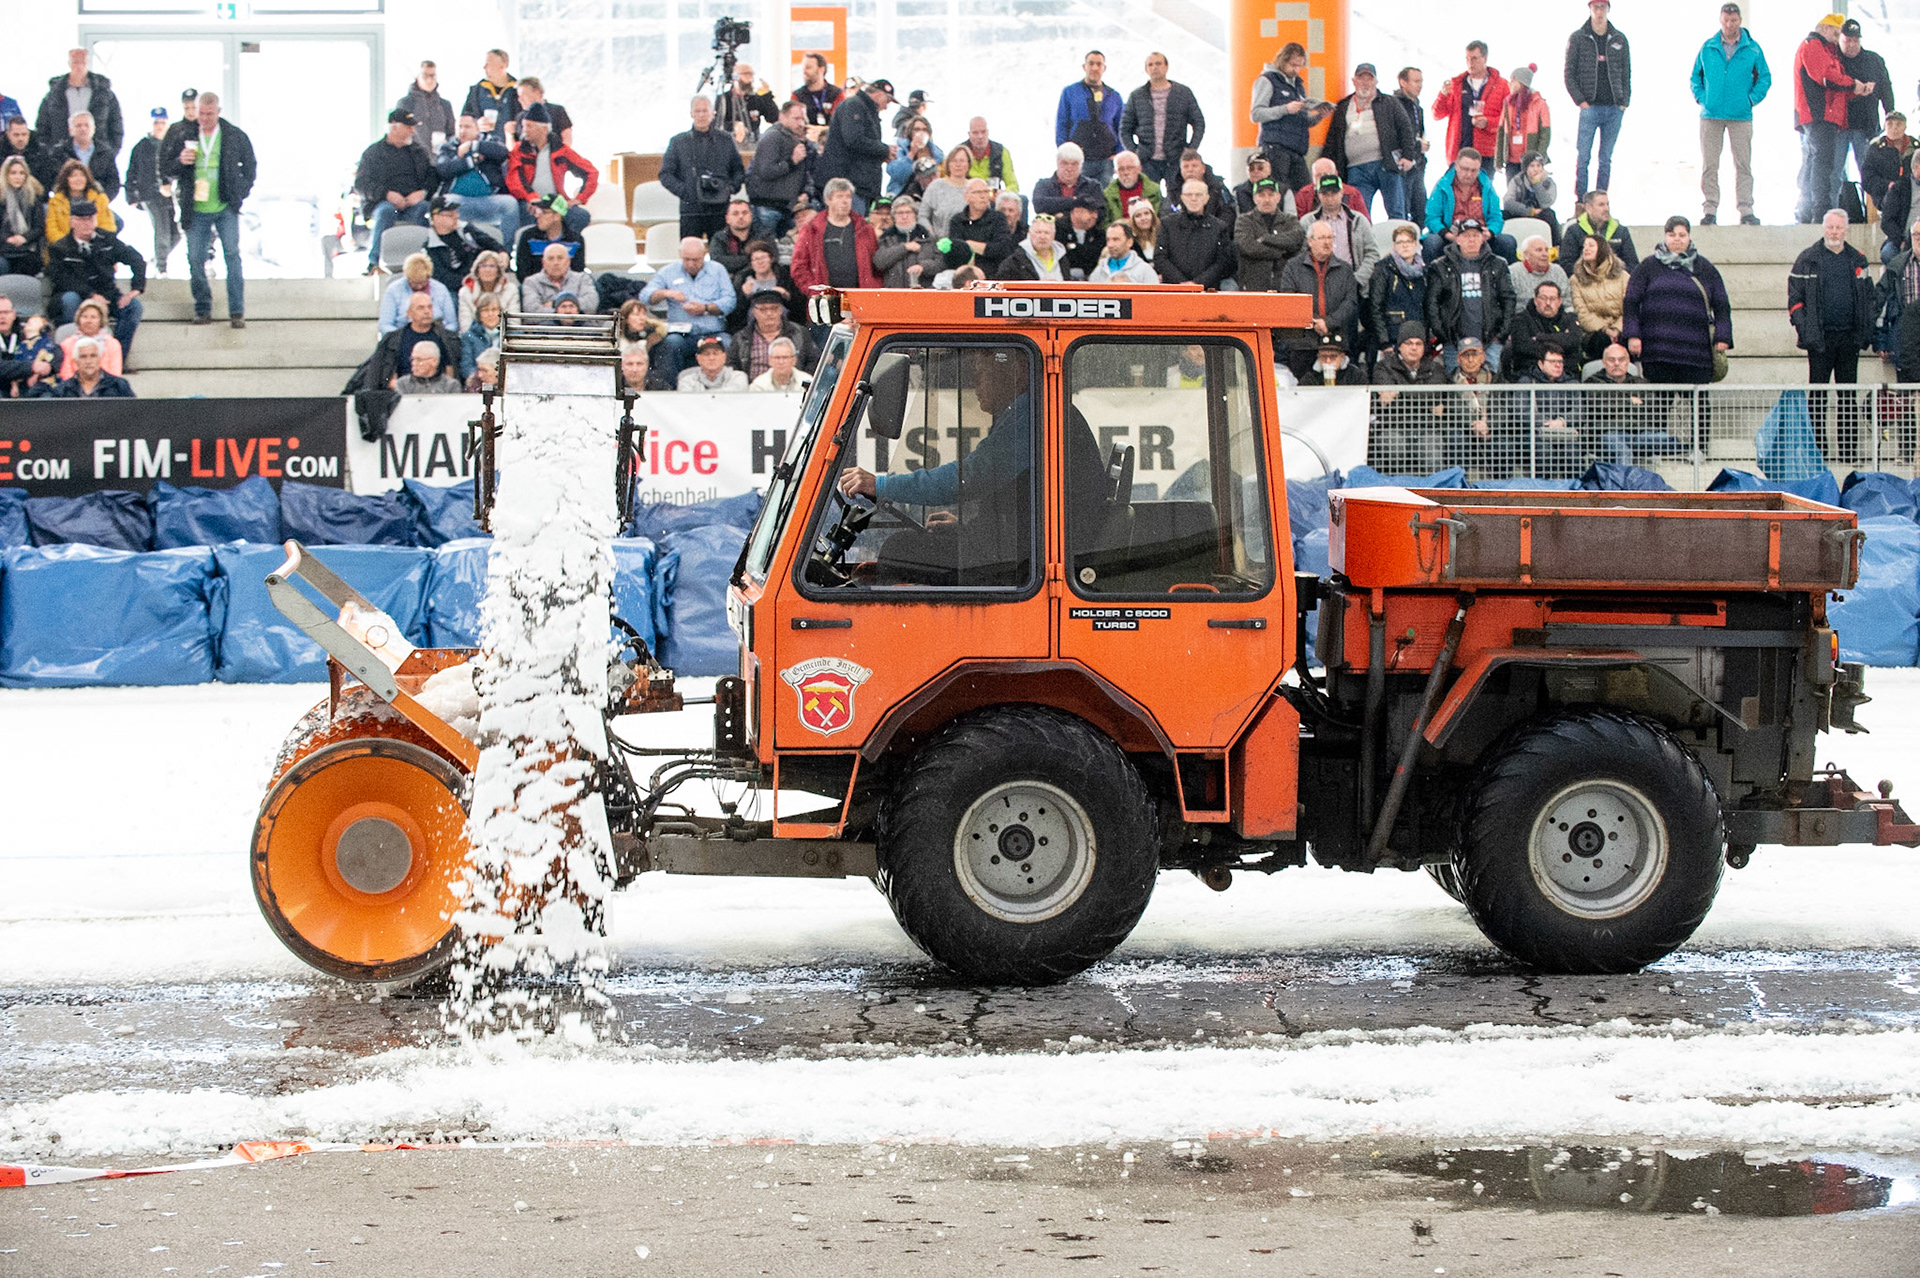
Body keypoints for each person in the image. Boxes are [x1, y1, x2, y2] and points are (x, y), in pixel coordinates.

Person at [160, 89, 255, 328]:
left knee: (232, 256)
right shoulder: (183, 134)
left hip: (225, 206)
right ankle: (202, 307)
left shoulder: (233, 135)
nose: (204, 118)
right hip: (195, 208)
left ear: (218, 112)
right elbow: (166, 168)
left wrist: (239, 193)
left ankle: (237, 311)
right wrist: (180, 162)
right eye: (201, 113)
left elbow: (250, 166)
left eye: (209, 114)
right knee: (195, 258)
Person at [1790, 209, 1876, 461]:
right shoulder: (1807, 259)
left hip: (1849, 338)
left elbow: (1870, 299)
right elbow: (1795, 299)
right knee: (1817, 397)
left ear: (1846, 230)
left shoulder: (1858, 259)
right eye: (1830, 228)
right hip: (1819, 340)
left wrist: (1865, 330)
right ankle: (1818, 453)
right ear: (1823, 228)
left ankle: (1849, 454)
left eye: (1839, 228)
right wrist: (1806, 330)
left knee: (1848, 396)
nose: (1834, 232)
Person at [1622, 215, 1732, 386]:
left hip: (1696, 352)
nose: (1677, 240)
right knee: (1659, 407)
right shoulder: (1647, 267)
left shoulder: (1705, 268)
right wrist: (1633, 335)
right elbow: (1631, 302)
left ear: (1689, 237)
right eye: (1672, 235)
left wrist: (1722, 336)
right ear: (1665, 236)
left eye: (1682, 235)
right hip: (1658, 351)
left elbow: (1722, 305)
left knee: (1699, 406)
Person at [1692, 2, 1772, 226]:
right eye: (1726, 20)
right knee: (1710, 164)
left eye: (1733, 20)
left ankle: (1746, 209)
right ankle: (1710, 209)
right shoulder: (1708, 47)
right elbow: (1695, 77)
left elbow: (1765, 77)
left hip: (1741, 115)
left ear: (1739, 21)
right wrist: (1702, 98)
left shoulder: (1753, 49)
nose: (1729, 24)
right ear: (1721, 20)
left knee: (1743, 164)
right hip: (1711, 114)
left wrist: (1751, 99)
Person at [45, 201, 144, 359]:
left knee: (133, 307)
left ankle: (116, 357)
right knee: (70, 300)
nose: (87, 223)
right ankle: (74, 356)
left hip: (106, 295)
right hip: (76, 295)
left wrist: (135, 289)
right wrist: (90, 295)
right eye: (81, 219)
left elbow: (136, 259)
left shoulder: (107, 240)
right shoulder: (60, 247)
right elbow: (61, 278)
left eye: (90, 219)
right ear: (72, 221)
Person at [1321, 63, 1418, 222]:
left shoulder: (1389, 102)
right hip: (1355, 169)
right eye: (1361, 78)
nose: (1365, 82)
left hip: (1386, 164)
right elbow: (1333, 138)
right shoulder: (1344, 106)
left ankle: (1400, 245)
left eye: (1369, 78)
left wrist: (1408, 156)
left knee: (1396, 212)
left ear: (1376, 81)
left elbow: (1406, 128)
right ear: (1354, 81)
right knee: (1358, 215)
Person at [1792, 15, 1859, 225]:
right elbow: (1824, 76)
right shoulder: (1813, 46)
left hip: (1821, 115)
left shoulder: (1823, 49)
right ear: (1825, 29)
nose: (1838, 36)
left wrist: (1853, 88)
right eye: (1836, 32)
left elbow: (1831, 80)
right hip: (1818, 114)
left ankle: (1809, 211)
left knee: (1815, 161)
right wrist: (1852, 85)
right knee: (1822, 163)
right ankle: (1819, 212)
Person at [641, 235, 736, 382]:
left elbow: (730, 301)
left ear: (704, 255)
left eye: (696, 260)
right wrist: (666, 293)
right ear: (680, 256)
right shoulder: (668, 272)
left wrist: (706, 308)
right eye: (687, 259)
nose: (691, 264)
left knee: (728, 344)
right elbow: (645, 296)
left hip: (712, 332)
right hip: (680, 334)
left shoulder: (718, 270)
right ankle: (670, 391)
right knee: (670, 345)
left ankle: (728, 390)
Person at [1425, 217, 1513, 373]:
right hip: (1454, 342)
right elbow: (1432, 302)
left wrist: (1500, 335)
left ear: (1482, 238)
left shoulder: (1498, 264)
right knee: (1458, 391)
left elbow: (1508, 300)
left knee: (1488, 391)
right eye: (1466, 236)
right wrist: (1444, 335)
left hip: (1490, 341)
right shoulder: (1440, 266)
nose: (1471, 240)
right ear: (1457, 239)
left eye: (1475, 235)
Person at [1564, 0, 1631, 200]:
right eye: (1595, 7)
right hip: (1590, 107)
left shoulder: (1619, 38)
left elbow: (1626, 72)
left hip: (1613, 108)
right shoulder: (1578, 38)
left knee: (1605, 159)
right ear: (1590, 9)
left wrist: (1624, 102)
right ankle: (1582, 200)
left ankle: (1601, 199)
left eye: (1602, 7)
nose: (1599, 12)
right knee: (1583, 156)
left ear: (1608, 9)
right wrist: (1580, 101)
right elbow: (1569, 73)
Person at [1277, 221, 1360, 379]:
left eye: (1330, 237)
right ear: (1310, 241)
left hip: (1335, 343)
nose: (1327, 242)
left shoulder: (1345, 269)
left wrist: (1328, 322)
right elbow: (1290, 299)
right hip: (1303, 344)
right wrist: (1314, 321)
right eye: (1322, 237)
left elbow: (1350, 303)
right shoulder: (1293, 267)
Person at [356, 109, 435, 273]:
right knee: (386, 211)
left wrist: (423, 193)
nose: (412, 130)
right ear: (394, 127)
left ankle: (423, 264)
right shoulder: (373, 153)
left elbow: (432, 178)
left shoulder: (419, 152)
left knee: (425, 210)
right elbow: (361, 184)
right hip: (383, 203)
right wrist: (386, 194)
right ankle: (373, 263)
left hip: (414, 203)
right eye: (408, 126)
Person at [661, 95, 747, 239]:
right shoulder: (679, 142)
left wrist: (730, 188)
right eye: (697, 111)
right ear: (691, 114)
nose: (701, 115)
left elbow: (738, 170)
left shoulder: (725, 140)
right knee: (690, 252)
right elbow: (665, 174)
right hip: (691, 209)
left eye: (705, 111)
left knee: (721, 254)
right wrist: (686, 191)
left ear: (713, 113)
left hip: (720, 209)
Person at [505, 102, 597, 234]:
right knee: (528, 218)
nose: (524, 131)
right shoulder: (519, 150)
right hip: (528, 201)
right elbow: (515, 180)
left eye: (529, 126)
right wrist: (532, 198)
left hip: (555, 201)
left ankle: (564, 247)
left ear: (543, 129)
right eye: (524, 126)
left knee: (580, 216)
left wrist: (580, 198)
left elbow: (591, 172)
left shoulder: (561, 150)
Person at [1251, 42, 1327, 196]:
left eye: (1300, 66)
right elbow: (1256, 114)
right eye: (1293, 65)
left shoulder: (1298, 86)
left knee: (1305, 192)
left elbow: (1303, 120)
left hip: (1297, 149)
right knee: (1279, 192)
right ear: (1283, 61)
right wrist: (1285, 109)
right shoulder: (1267, 80)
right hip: (1276, 147)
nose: (1296, 70)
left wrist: (1319, 116)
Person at [1371, 322, 1449, 470]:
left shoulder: (1435, 368)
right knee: (1394, 446)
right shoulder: (1383, 366)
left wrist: (1398, 393)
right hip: (1393, 426)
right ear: (1399, 346)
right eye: (1409, 343)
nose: (1414, 347)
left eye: (1418, 343)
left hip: (1427, 428)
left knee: (1432, 451)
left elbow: (1432, 396)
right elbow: (1426, 399)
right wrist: (1423, 397)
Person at [1120, 52, 1204, 185]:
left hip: (1176, 158)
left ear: (1166, 67)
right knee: (1148, 201)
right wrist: (1134, 153)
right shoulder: (1137, 96)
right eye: (1150, 64)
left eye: (1158, 63)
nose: (1154, 67)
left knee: (1176, 201)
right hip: (1146, 160)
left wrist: (1190, 150)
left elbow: (1199, 123)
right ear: (1146, 69)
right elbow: (1125, 129)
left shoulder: (1183, 93)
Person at [436, 114, 520, 242]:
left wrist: (474, 146)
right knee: (445, 202)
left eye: (467, 127)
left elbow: (503, 153)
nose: (463, 130)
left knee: (510, 203)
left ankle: (506, 251)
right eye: (460, 127)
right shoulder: (447, 147)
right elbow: (443, 170)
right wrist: (469, 161)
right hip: (459, 202)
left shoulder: (490, 141)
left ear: (477, 129)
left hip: (489, 200)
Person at [1422, 148, 1514, 263]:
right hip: (1451, 236)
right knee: (1432, 242)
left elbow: (1496, 217)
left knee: (1508, 242)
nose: (1469, 174)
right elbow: (1432, 218)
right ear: (1456, 165)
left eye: (1474, 170)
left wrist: (1489, 232)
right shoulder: (1442, 186)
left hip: (1481, 237)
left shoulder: (1487, 186)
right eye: (1465, 169)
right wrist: (1448, 235)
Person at [792, 176, 881, 293]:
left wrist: (873, 287)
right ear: (828, 200)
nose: (845, 201)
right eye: (839, 196)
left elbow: (877, 265)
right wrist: (814, 292)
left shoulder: (865, 229)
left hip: (860, 300)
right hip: (825, 301)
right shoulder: (811, 229)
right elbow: (799, 266)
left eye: (848, 196)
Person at [821, 78, 896, 215]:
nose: (886, 106)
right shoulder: (854, 106)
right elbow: (854, 140)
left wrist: (880, 154)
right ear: (879, 94)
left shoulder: (865, 110)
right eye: (888, 100)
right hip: (851, 184)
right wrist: (884, 150)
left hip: (861, 185)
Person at [34, 50, 122, 164]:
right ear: (69, 63)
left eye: (83, 62)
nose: (79, 66)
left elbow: (116, 126)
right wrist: (51, 153)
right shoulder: (54, 94)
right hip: (62, 158)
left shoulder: (104, 93)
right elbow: (42, 127)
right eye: (75, 62)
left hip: (97, 158)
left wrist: (109, 153)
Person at [748, 101, 815, 240]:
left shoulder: (799, 140)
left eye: (802, 119)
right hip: (768, 206)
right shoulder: (772, 137)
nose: (800, 123)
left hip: (788, 207)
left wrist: (806, 192)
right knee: (767, 249)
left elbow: (806, 172)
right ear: (782, 117)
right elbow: (765, 171)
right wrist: (791, 162)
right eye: (796, 119)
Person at [1302, 173, 1379, 292]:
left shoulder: (1359, 220)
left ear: (1342, 193)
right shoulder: (1307, 222)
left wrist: (1357, 280)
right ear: (1318, 195)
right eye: (1325, 194)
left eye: (1334, 193)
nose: (1330, 198)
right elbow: (1301, 254)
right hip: (1318, 288)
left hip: (1354, 287)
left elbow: (1372, 253)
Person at [1433, 42, 1508, 163]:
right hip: (1459, 151)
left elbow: (1509, 120)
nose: (1470, 63)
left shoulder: (1502, 86)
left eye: (1474, 58)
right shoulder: (1456, 84)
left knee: (1483, 182)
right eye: (1467, 59)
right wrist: (1443, 95)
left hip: (1487, 152)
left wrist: (1488, 122)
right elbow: (1437, 114)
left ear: (1485, 58)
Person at [1056, 51, 1123, 187]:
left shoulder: (1114, 96)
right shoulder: (1070, 92)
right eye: (1091, 63)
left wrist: (1119, 153)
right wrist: (1064, 152)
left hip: (1106, 160)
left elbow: (1121, 127)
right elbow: (1062, 123)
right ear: (1084, 67)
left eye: (1099, 64)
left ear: (1104, 68)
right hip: (1079, 159)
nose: (1094, 68)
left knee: (1103, 200)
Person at [369, 290, 459, 390]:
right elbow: (383, 375)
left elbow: (450, 370)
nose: (427, 311)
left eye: (429, 307)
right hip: (402, 393)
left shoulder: (446, 338)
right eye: (421, 308)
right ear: (409, 313)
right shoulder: (393, 340)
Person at [124, 109, 176, 275]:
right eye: (156, 122)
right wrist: (131, 195)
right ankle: (162, 268)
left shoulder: (174, 144)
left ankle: (157, 258)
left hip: (172, 196)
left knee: (177, 232)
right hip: (150, 196)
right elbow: (132, 171)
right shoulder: (142, 146)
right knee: (162, 230)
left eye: (162, 122)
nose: (159, 126)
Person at [1155, 179, 1232, 288]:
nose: (1193, 199)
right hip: (1174, 289)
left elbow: (1222, 262)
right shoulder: (1168, 224)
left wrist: (1198, 283)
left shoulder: (1219, 227)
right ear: (1182, 197)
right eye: (1189, 194)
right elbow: (1160, 257)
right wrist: (1181, 283)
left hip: (1208, 290)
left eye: (1199, 195)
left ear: (1207, 198)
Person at [421, 196, 503, 298]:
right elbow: (442, 277)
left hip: (483, 279)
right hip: (455, 289)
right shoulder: (430, 247)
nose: (457, 216)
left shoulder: (465, 229)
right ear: (436, 218)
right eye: (451, 215)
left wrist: (501, 252)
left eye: (456, 212)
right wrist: (470, 282)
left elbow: (490, 243)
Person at [1233, 177, 1303, 292]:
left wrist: (1266, 239)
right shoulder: (1244, 221)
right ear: (1255, 198)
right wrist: (1281, 251)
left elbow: (1296, 239)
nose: (1267, 200)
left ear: (1278, 197)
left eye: (1271, 195)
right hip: (1253, 287)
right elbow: (1248, 247)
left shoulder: (1290, 220)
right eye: (1262, 195)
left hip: (1285, 285)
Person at [727, 289, 811, 381]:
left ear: (781, 310)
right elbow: (732, 365)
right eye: (763, 309)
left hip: (792, 389)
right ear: (754, 312)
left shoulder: (799, 333)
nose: (769, 313)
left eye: (774, 308)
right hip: (753, 390)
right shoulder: (741, 337)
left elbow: (813, 361)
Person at [1569, 232, 1629, 360]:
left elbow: (1629, 308)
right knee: (1600, 341)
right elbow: (1581, 312)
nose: (1586, 249)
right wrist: (1605, 330)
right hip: (1594, 332)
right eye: (1585, 246)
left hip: (1621, 328)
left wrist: (1617, 329)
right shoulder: (1576, 279)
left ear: (1602, 249)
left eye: (1591, 245)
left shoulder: (1623, 276)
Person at [1370, 223, 1430, 349]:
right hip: (1393, 338)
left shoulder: (1424, 272)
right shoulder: (1383, 269)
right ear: (1394, 246)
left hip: (1418, 339)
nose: (1405, 245)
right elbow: (1375, 307)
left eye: (1408, 241)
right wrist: (1384, 341)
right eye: (1400, 242)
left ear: (1416, 244)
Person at [1877, 218, 1920, 393]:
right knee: (1906, 404)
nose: (1919, 239)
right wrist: (1881, 341)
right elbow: (1881, 303)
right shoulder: (1897, 266)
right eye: (1916, 235)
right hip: (1906, 342)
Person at [937, 178, 1013, 275]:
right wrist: (983, 248)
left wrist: (969, 245)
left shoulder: (998, 218)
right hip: (964, 274)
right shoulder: (957, 220)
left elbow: (1002, 248)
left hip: (994, 272)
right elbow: (957, 252)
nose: (983, 196)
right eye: (977, 192)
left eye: (986, 192)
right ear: (967, 197)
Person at [38, 111, 118, 200]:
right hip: (66, 204)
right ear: (70, 129)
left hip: (98, 202)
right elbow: (52, 179)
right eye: (78, 126)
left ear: (94, 128)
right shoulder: (59, 152)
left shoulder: (105, 152)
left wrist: (102, 200)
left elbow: (113, 182)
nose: (83, 129)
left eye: (87, 125)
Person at [1507, 279, 1583, 371]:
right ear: (1535, 300)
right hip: (1531, 373)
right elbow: (1522, 346)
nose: (1548, 303)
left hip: (1566, 373)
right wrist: (1560, 340)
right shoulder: (1521, 319)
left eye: (1552, 299)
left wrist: (1540, 338)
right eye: (1543, 298)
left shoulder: (1570, 319)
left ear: (1559, 301)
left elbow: (1573, 341)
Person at [1496, 66, 1552, 183]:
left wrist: (1539, 158)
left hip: (1531, 161)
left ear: (1521, 83)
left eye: (1513, 81)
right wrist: (1499, 158)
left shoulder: (1539, 103)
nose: (1509, 84)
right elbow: (1501, 131)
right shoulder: (1508, 102)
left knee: (1530, 193)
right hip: (1511, 160)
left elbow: (1545, 134)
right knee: (1512, 193)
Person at [1559, 188, 1638, 270]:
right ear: (1589, 208)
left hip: (1615, 280)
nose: (1606, 209)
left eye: (1607, 204)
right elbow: (1566, 264)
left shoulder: (1621, 231)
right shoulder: (1574, 231)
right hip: (1583, 281)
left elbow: (1633, 265)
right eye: (1601, 205)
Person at [379, 251, 457, 333]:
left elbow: (452, 324)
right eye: (414, 283)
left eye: (423, 282)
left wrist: (441, 336)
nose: (419, 287)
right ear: (407, 277)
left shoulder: (441, 289)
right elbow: (385, 325)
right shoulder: (393, 290)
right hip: (403, 338)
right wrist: (402, 337)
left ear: (429, 276)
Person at [731, 239, 803, 326]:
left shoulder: (785, 278)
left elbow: (800, 313)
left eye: (763, 257)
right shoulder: (743, 281)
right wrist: (744, 297)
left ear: (771, 259)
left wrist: (787, 297)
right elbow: (734, 319)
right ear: (751, 263)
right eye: (755, 259)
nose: (760, 262)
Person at [33, 336, 132, 398]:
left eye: (93, 356)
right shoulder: (62, 390)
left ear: (99, 359)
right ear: (76, 362)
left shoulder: (120, 386)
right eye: (83, 357)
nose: (88, 361)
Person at [510, 195, 583, 279]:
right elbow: (523, 273)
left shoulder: (576, 240)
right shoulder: (528, 237)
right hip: (534, 288)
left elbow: (578, 274)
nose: (537, 215)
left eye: (543, 212)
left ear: (557, 216)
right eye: (537, 211)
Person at [1031, 142, 1105, 224]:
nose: (1069, 169)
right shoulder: (1043, 184)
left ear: (1081, 165)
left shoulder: (1093, 186)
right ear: (1057, 163)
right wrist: (1076, 201)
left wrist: (1062, 216)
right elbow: (1039, 205)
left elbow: (1100, 213)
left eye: (1074, 164)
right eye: (1065, 163)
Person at [44, 158, 114, 243]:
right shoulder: (56, 201)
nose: (78, 179)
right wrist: (69, 245)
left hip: (96, 248)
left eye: (82, 175)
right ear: (66, 179)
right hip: (64, 248)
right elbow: (52, 230)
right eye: (73, 176)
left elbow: (108, 225)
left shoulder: (99, 199)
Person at [394, 61, 456, 157]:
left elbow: (452, 133)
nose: (429, 80)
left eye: (433, 76)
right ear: (417, 77)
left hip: (439, 161)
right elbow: (399, 135)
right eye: (425, 76)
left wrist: (446, 144)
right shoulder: (405, 104)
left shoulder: (445, 105)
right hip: (413, 161)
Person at [1395, 68, 1432, 224]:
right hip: (1403, 165)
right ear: (1403, 82)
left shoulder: (1417, 105)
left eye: (1421, 81)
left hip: (1418, 164)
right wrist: (1417, 146)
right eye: (1416, 81)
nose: (1420, 85)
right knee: (1403, 209)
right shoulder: (1395, 104)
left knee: (1421, 210)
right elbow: (1396, 135)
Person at [521, 240, 598, 314]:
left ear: (568, 261)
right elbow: (531, 310)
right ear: (543, 262)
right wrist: (570, 309)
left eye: (560, 258)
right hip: (546, 326)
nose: (556, 263)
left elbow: (591, 304)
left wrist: (554, 304)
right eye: (551, 259)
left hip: (579, 325)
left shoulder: (582, 278)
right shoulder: (531, 282)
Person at [461, 49, 519, 145]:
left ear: (502, 66)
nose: (484, 67)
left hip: (512, 149)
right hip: (484, 149)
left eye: (488, 64)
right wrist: (476, 124)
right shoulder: (477, 90)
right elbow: (465, 118)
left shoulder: (517, 90)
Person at [57, 297, 123, 377]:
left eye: (93, 317)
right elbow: (65, 374)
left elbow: (115, 374)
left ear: (101, 320)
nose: (88, 321)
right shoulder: (67, 344)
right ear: (79, 319)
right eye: (84, 317)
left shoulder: (113, 344)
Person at [0, 157, 44, 277]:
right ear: (6, 175)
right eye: (13, 173)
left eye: (21, 173)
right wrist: (9, 239)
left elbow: (39, 227)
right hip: (4, 249)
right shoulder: (1, 198)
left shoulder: (34, 197)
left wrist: (24, 238)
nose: (17, 177)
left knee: (28, 264)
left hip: (28, 248)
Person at [714, 62, 777, 147]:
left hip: (752, 144)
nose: (750, 78)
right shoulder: (724, 99)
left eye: (751, 74)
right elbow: (716, 124)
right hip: (728, 144)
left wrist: (767, 97)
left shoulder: (756, 99)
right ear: (735, 76)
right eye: (746, 74)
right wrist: (734, 126)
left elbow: (774, 118)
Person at [873, 196, 930, 288]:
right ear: (893, 216)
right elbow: (879, 262)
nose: (904, 216)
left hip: (922, 293)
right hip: (894, 293)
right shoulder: (886, 238)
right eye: (900, 213)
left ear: (915, 215)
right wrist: (904, 248)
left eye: (908, 212)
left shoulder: (927, 236)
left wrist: (923, 267)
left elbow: (939, 263)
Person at [1864, 113, 1913, 219]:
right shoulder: (1876, 149)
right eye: (1890, 124)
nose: (1894, 128)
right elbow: (1867, 179)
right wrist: (1887, 185)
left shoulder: (1915, 147)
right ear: (1884, 126)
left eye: (1898, 124)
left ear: (1905, 127)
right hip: (1885, 196)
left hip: (1912, 196)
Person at [1503, 152, 1560, 242]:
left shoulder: (1548, 182)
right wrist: (1530, 211)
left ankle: (1556, 246)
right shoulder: (1517, 180)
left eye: (1538, 166)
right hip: (1522, 212)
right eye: (1532, 166)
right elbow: (1508, 202)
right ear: (1526, 168)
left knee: (1550, 214)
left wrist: (1537, 183)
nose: (1536, 169)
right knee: (1503, 214)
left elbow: (1546, 203)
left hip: (1541, 214)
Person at [1169, 148, 1235, 227]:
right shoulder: (1174, 189)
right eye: (1186, 167)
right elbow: (1168, 213)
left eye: (1194, 166)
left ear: (1203, 169)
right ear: (1181, 170)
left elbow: (1228, 213)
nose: (1190, 170)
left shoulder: (1217, 187)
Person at [996, 212, 1066, 281]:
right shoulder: (1014, 262)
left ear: (1053, 236)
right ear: (1030, 234)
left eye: (1047, 233)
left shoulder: (1062, 258)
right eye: (1038, 232)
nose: (1042, 237)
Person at [1509, 234, 1570, 313]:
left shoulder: (1558, 271)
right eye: (1539, 250)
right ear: (1526, 255)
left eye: (1546, 250)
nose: (1544, 254)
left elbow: (1568, 304)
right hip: (1523, 320)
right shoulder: (1513, 272)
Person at [886, 117, 942, 199]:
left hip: (930, 196)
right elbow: (898, 175)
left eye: (924, 129)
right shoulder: (899, 149)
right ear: (910, 132)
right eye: (917, 129)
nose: (921, 133)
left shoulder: (937, 154)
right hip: (902, 195)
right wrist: (911, 154)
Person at [1089, 220, 1158, 284]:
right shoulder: (1098, 272)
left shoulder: (1145, 271)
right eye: (1108, 240)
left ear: (1129, 242)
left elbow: (1155, 296)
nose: (1110, 245)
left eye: (1116, 239)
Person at [1104, 151, 1161, 227]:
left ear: (1139, 169)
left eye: (1129, 168)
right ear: (1115, 172)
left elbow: (1159, 218)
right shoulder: (1107, 194)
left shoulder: (1154, 190)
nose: (1126, 173)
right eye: (1121, 169)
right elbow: (1105, 223)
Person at [961, 117, 1018, 192]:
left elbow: (1013, 185)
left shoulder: (1001, 152)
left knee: (1023, 199)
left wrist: (1003, 194)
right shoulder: (960, 152)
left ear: (988, 132)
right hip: (967, 198)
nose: (980, 136)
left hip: (993, 199)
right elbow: (950, 182)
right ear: (969, 134)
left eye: (983, 132)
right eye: (975, 133)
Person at [791, 53, 843, 131]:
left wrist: (821, 131)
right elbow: (793, 125)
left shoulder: (837, 94)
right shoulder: (797, 96)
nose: (804, 72)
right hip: (804, 139)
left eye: (808, 68)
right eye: (803, 68)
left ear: (821, 69)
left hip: (831, 139)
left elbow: (841, 123)